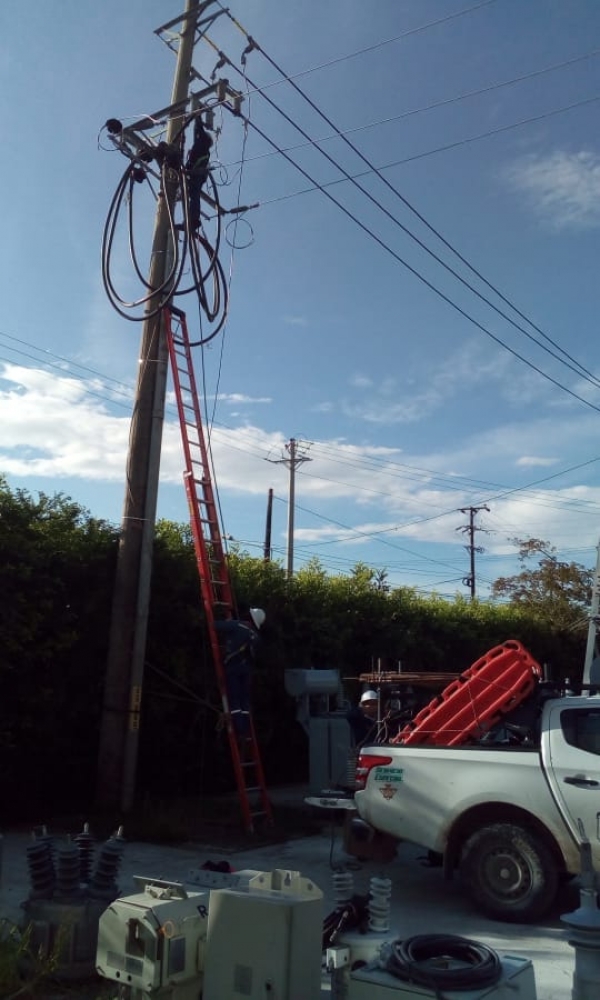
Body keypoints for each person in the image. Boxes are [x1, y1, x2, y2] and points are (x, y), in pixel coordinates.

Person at [214, 607, 265, 737]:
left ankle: (240, 730)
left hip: (234, 668)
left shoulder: (237, 625)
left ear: (249, 616)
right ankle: (245, 729)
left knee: (235, 699)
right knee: (244, 700)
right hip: (247, 670)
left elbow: (215, 625)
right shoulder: (256, 636)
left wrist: (227, 622)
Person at [186, 116, 213, 232]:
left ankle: (193, 219)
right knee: (193, 195)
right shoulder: (201, 146)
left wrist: (198, 114)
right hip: (197, 174)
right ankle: (192, 219)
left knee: (194, 195)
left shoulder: (202, 144)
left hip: (197, 174)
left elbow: (198, 130)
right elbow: (197, 131)